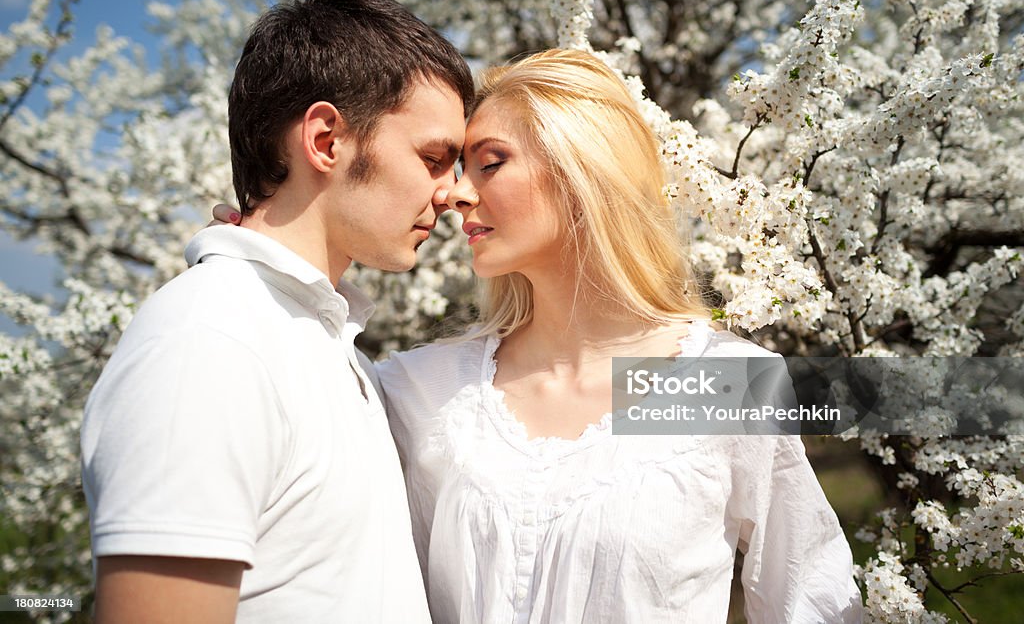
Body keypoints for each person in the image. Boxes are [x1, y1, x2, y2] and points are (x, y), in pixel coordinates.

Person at [209, 49, 863, 621]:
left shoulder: (722, 384)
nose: (456, 193)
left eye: (490, 163)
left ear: (584, 172)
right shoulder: (417, 388)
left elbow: (812, 598)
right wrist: (271, 272)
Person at [80, 0, 473, 623]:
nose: (454, 193)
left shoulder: (316, 339)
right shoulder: (209, 343)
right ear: (325, 141)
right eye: (434, 158)